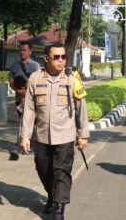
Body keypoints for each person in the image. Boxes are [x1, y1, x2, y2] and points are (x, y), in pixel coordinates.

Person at [20, 43, 90, 220]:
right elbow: (28, 109)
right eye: (56, 57)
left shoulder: (72, 79)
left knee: (62, 171)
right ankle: (52, 195)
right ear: (46, 58)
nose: (61, 60)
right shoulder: (35, 79)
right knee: (43, 170)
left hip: (65, 135)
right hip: (42, 136)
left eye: (63, 57)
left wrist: (83, 135)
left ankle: (59, 207)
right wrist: (25, 136)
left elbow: (82, 108)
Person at [8, 41, 41, 160]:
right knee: (27, 123)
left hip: (31, 100)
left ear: (30, 51)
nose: (22, 52)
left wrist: (26, 91)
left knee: (24, 122)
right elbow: (11, 82)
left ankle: (17, 147)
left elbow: (36, 82)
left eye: (24, 50)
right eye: (20, 50)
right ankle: (32, 142)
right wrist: (19, 91)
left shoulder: (36, 66)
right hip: (19, 99)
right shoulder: (14, 66)